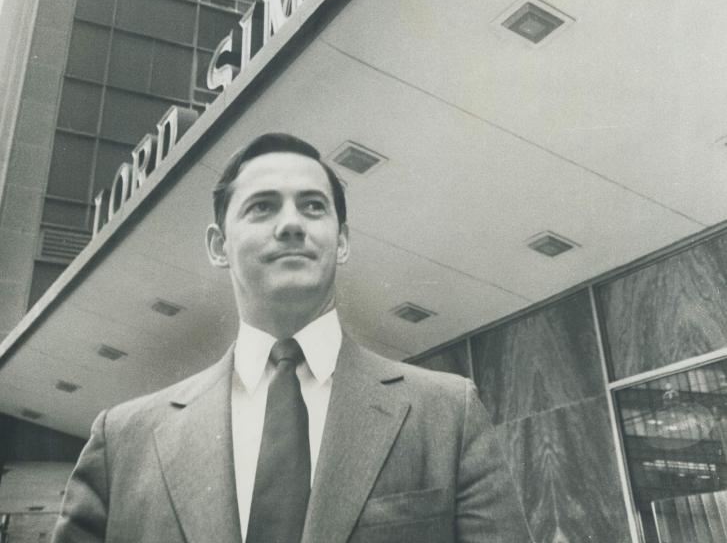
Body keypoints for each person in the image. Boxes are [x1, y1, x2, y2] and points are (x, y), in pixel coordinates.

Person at [53, 133, 531, 542]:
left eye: (312, 206)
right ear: (219, 246)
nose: (290, 223)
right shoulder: (122, 441)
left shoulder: (447, 414)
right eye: (262, 207)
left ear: (341, 241)